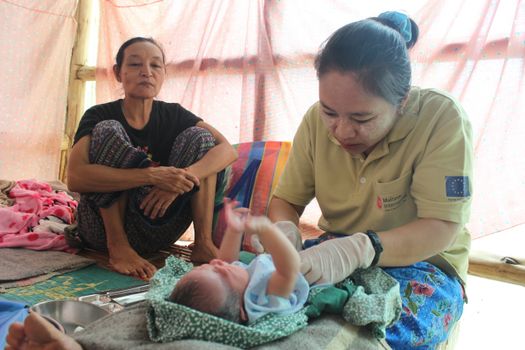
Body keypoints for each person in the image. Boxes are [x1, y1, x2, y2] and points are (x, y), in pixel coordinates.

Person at [268, 11, 473, 349]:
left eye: (362, 118)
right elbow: (286, 202)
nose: (342, 131)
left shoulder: (441, 119)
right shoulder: (315, 123)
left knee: (356, 337)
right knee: (260, 304)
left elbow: (442, 226)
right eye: (330, 112)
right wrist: (284, 231)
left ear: (402, 101)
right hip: (335, 250)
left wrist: (363, 247)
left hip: (424, 266)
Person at [67, 37, 237, 280]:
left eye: (155, 66)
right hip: (102, 231)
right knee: (108, 130)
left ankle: (203, 243)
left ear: (164, 73)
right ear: (118, 73)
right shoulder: (99, 115)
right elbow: (75, 178)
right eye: (135, 65)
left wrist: (179, 180)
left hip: (159, 224)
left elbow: (227, 150)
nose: (146, 72)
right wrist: (150, 175)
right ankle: (119, 247)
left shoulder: (174, 114)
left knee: (201, 139)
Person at [169, 198, 308, 324]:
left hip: (264, 259)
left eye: (207, 266)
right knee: (289, 236)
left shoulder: (238, 286)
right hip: (295, 261)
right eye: (221, 273)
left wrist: (234, 230)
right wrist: (266, 228)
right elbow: (289, 269)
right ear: (241, 309)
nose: (216, 263)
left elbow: (227, 261)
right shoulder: (264, 299)